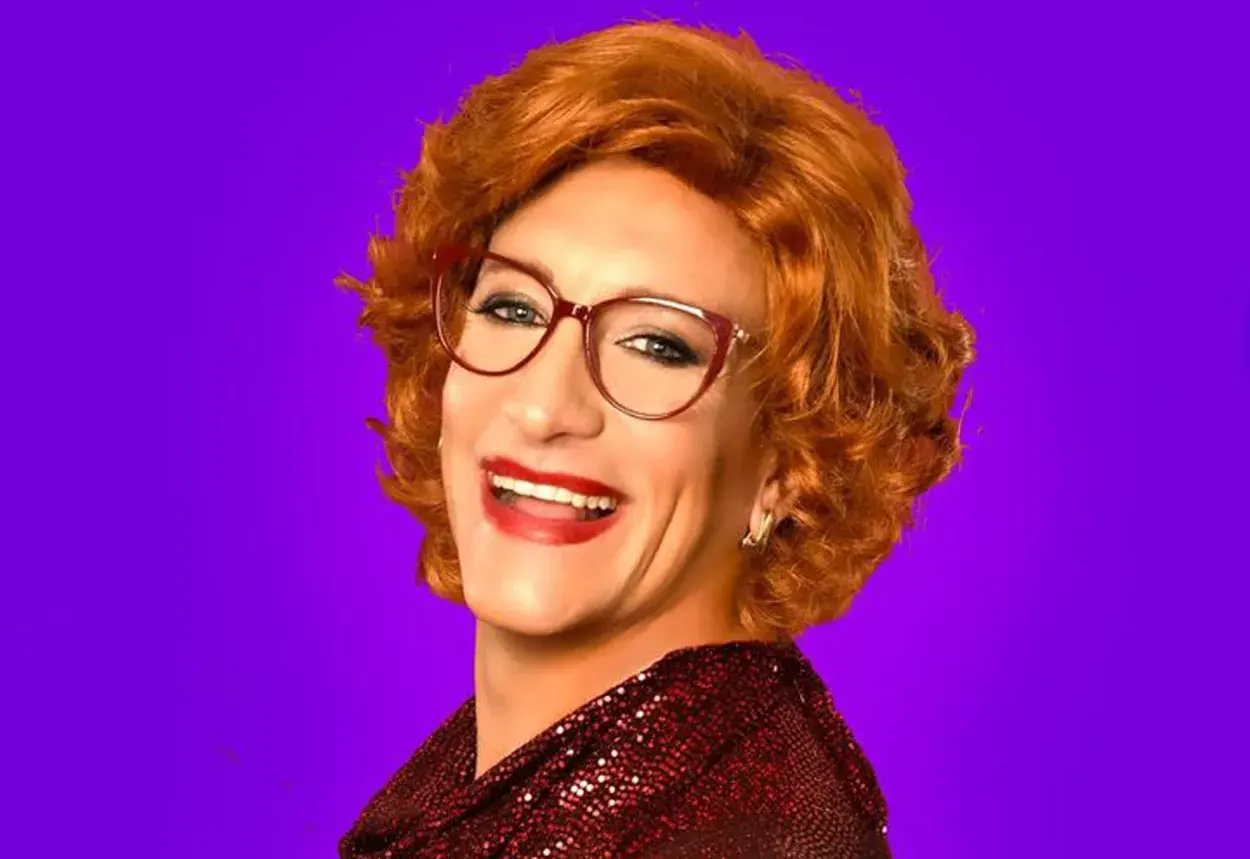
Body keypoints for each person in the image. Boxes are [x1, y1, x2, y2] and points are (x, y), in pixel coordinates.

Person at [337, 19, 973, 859]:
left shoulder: (746, 840)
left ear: (791, 461)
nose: (543, 407)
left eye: (657, 345)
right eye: (512, 307)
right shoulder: (506, 786)